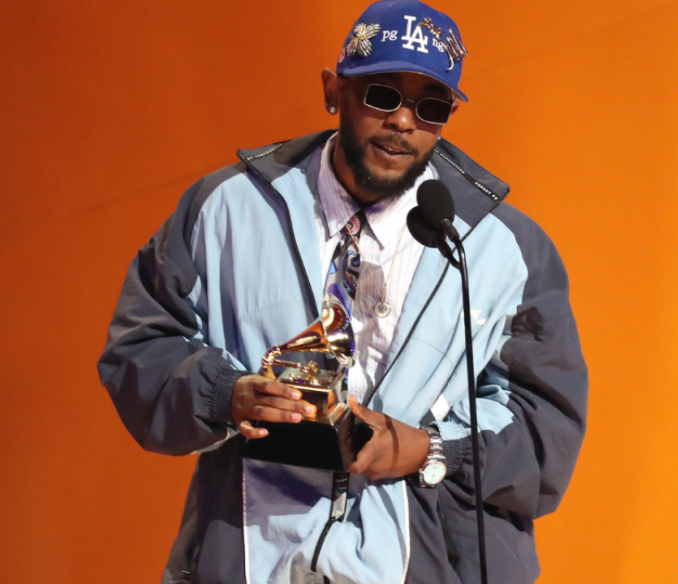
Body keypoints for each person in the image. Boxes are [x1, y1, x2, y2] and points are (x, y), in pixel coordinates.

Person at [98, 1, 588, 582]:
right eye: (383, 94)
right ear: (334, 91)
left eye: (430, 106)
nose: (403, 121)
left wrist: (430, 450)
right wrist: (226, 395)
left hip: (426, 565)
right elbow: (141, 349)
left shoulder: (504, 248)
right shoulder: (224, 209)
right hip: (253, 560)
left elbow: (546, 432)